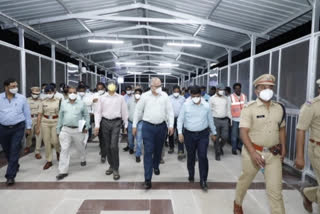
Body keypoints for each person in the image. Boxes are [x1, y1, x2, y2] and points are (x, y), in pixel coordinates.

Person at [233, 74, 286, 214]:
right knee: (245, 180)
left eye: (270, 87)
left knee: (275, 192)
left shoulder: (279, 108)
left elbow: (281, 129)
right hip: (253, 152)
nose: (267, 90)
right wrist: (252, 152)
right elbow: (243, 132)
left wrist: (284, 148)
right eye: (263, 87)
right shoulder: (249, 108)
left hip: (273, 154)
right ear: (256, 91)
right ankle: (237, 202)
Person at [132, 77, 174, 189]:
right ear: (151, 86)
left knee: (158, 150)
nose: (159, 88)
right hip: (148, 127)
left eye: (160, 86)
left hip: (161, 127)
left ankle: (156, 165)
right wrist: (135, 125)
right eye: (157, 86)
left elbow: (170, 111)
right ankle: (147, 179)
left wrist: (171, 125)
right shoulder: (144, 96)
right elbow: (138, 111)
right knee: (148, 152)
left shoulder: (164, 96)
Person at [177, 86, 216, 191]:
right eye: (193, 96)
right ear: (190, 96)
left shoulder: (206, 106)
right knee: (191, 156)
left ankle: (203, 180)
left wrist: (214, 132)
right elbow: (180, 120)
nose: (195, 98)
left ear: (201, 95)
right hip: (189, 135)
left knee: (203, 156)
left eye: (197, 96)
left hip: (203, 134)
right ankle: (191, 174)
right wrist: (180, 133)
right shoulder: (186, 105)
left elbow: (210, 120)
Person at [294, 79, 320, 213]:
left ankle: (309, 193)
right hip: (318, 150)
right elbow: (301, 130)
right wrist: (299, 157)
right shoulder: (311, 106)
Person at [94, 81, 128, 180]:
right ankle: (111, 166)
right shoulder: (102, 98)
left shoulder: (120, 98)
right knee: (107, 146)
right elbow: (98, 112)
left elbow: (124, 111)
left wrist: (126, 124)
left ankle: (116, 168)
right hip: (105, 122)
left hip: (116, 122)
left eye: (113, 85)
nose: (112, 86)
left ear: (116, 87)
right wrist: (97, 125)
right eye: (110, 85)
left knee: (114, 146)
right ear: (107, 87)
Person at [0, 78, 32, 186]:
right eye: (13, 86)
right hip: (3, 128)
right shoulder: (0, 98)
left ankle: (10, 176)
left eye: (16, 86)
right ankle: (15, 164)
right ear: (6, 87)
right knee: (7, 150)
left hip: (18, 127)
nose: (15, 88)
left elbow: (27, 113)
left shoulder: (21, 98)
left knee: (14, 149)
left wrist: (28, 127)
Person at [56, 87, 90, 180]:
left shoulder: (81, 104)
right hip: (65, 129)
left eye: (74, 92)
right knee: (64, 149)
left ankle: (83, 158)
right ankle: (63, 171)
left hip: (78, 130)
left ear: (77, 93)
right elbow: (60, 117)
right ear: (67, 93)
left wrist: (87, 126)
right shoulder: (63, 103)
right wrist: (58, 129)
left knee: (80, 147)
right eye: (70, 92)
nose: (72, 94)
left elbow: (86, 116)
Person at [36, 85, 61, 170]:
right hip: (45, 121)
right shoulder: (43, 102)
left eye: (50, 92)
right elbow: (39, 114)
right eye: (47, 92)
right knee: (46, 141)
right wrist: (38, 127)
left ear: (54, 92)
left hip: (56, 121)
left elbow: (62, 113)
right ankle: (49, 160)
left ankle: (58, 151)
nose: (49, 94)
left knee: (55, 140)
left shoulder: (59, 101)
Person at [209, 83, 232, 161]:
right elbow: (209, 110)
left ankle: (220, 147)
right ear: (216, 90)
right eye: (220, 89)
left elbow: (228, 110)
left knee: (225, 137)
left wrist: (230, 120)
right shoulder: (212, 98)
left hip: (225, 120)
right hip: (215, 120)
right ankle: (217, 153)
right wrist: (210, 122)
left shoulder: (227, 99)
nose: (222, 91)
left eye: (223, 90)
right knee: (216, 137)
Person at [24, 86, 43, 159]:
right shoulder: (26, 100)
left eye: (37, 93)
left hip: (39, 119)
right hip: (29, 119)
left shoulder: (41, 101)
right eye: (34, 93)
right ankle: (28, 146)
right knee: (29, 134)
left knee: (39, 135)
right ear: (31, 93)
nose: (35, 95)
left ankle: (37, 152)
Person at [169, 85, 186, 160]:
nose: (176, 93)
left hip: (180, 118)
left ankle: (180, 150)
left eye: (177, 91)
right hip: (171, 118)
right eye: (175, 91)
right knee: (171, 133)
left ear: (179, 91)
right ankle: (171, 147)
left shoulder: (183, 98)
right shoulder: (169, 98)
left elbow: (185, 109)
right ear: (172, 91)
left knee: (180, 133)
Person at [127, 88, 143, 162]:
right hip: (130, 121)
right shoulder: (130, 101)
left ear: (141, 94)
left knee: (139, 139)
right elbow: (127, 110)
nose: (137, 94)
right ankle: (131, 147)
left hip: (140, 122)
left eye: (139, 93)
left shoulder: (143, 102)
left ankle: (138, 154)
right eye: (136, 93)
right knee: (130, 138)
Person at [92, 82, 107, 163]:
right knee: (101, 138)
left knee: (106, 138)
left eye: (101, 88)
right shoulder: (94, 95)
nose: (100, 90)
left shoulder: (108, 95)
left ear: (104, 88)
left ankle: (105, 152)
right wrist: (92, 101)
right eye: (98, 88)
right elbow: (87, 102)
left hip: (106, 118)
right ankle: (103, 153)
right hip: (97, 118)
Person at [230, 83, 247, 155]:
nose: (238, 89)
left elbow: (246, 107)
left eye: (239, 88)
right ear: (234, 89)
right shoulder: (231, 97)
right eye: (236, 88)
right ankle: (234, 149)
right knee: (234, 136)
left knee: (242, 135)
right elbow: (228, 108)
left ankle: (240, 147)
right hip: (234, 119)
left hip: (243, 119)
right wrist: (230, 119)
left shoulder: (244, 96)